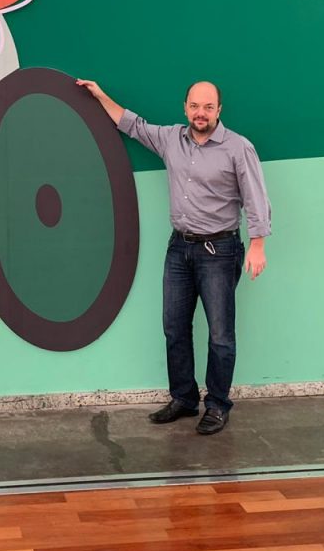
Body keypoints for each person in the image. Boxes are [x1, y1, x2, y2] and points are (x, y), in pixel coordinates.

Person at [75, 79, 270, 435]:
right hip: (179, 250)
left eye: (208, 107)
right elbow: (132, 125)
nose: (200, 113)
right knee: (175, 328)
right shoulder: (170, 139)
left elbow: (255, 196)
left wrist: (257, 243)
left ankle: (217, 405)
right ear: (185, 108)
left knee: (220, 335)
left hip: (219, 251)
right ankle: (184, 398)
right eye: (195, 106)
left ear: (219, 110)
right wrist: (100, 95)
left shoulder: (237, 147)